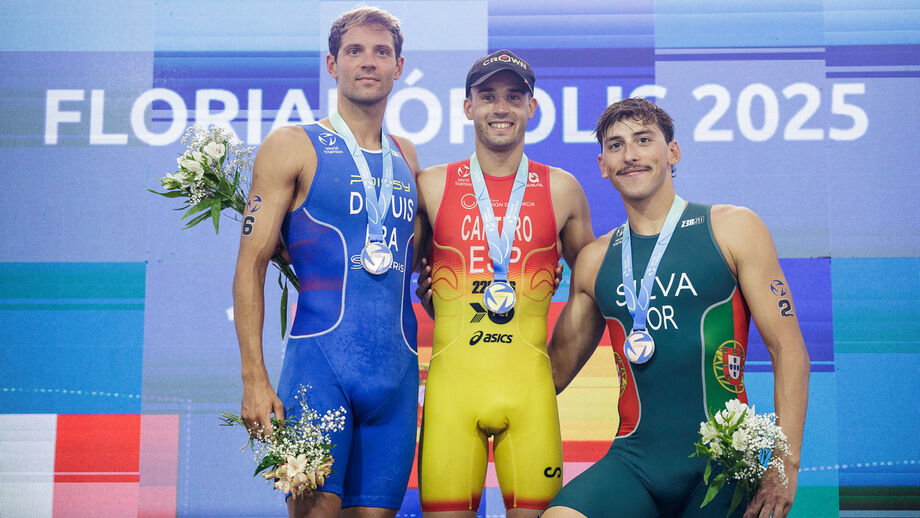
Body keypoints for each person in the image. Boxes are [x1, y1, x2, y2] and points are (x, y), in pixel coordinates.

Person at [542, 98, 810, 518]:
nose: (630, 155)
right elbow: (551, 374)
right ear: (602, 165)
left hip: (724, 468)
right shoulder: (594, 260)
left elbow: (788, 350)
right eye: (616, 146)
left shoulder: (733, 228)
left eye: (643, 140)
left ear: (672, 152)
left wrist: (782, 463)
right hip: (634, 463)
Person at [232, 7, 421, 517]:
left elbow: (423, 261)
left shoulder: (408, 155)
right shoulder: (291, 146)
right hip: (319, 371)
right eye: (354, 51)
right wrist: (255, 379)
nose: (368, 62)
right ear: (332, 64)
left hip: (397, 378)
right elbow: (250, 265)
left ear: (399, 67)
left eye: (381, 52)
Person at [413, 50, 595, 517]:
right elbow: (399, 274)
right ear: (467, 106)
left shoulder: (562, 188)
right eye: (488, 96)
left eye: (514, 97)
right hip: (453, 392)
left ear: (531, 107)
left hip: (530, 392)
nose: (501, 108)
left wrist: (558, 365)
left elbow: (593, 288)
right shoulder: (430, 185)